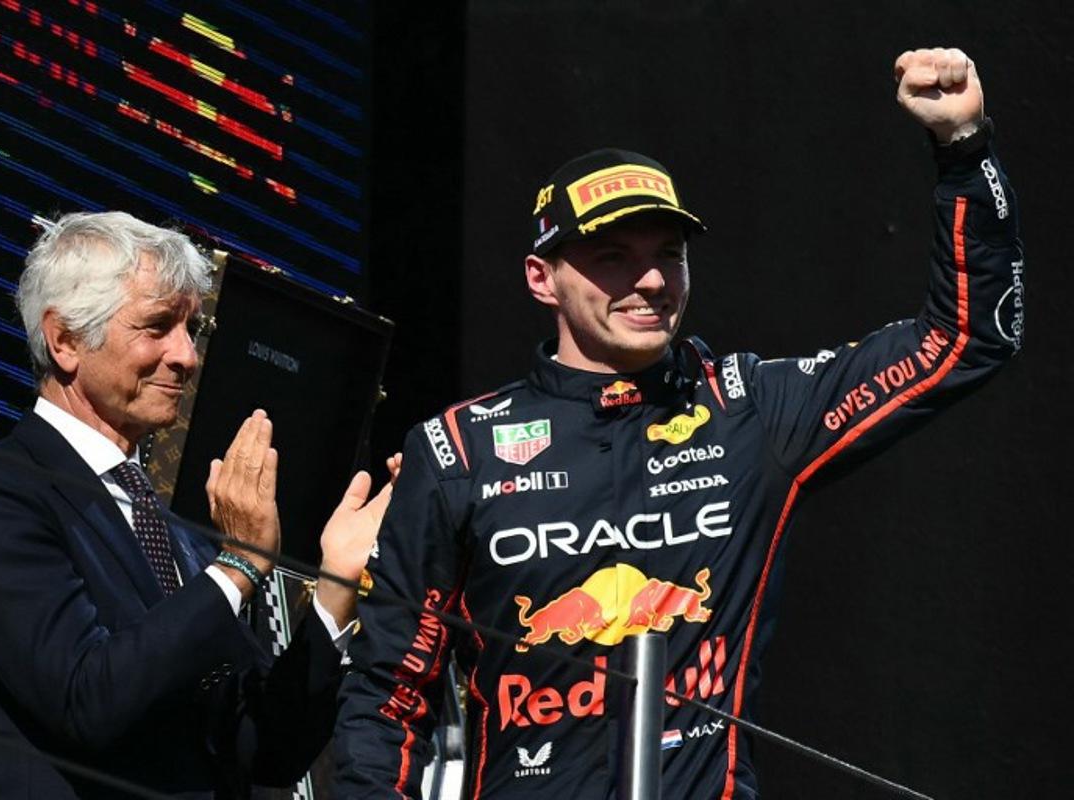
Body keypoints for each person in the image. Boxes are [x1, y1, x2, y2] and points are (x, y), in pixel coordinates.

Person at [331, 47, 1023, 798]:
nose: (653, 279)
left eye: (669, 253)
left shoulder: (749, 409)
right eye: (613, 256)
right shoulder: (458, 450)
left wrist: (964, 150)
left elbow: (963, 339)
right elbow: (389, 700)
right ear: (542, 277)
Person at [0, 211, 395, 798]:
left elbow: (262, 750)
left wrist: (336, 587)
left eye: (190, 329)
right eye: (157, 327)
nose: (187, 357)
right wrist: (239, 568)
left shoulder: (177, 529)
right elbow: (84, 700)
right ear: (65, 340)